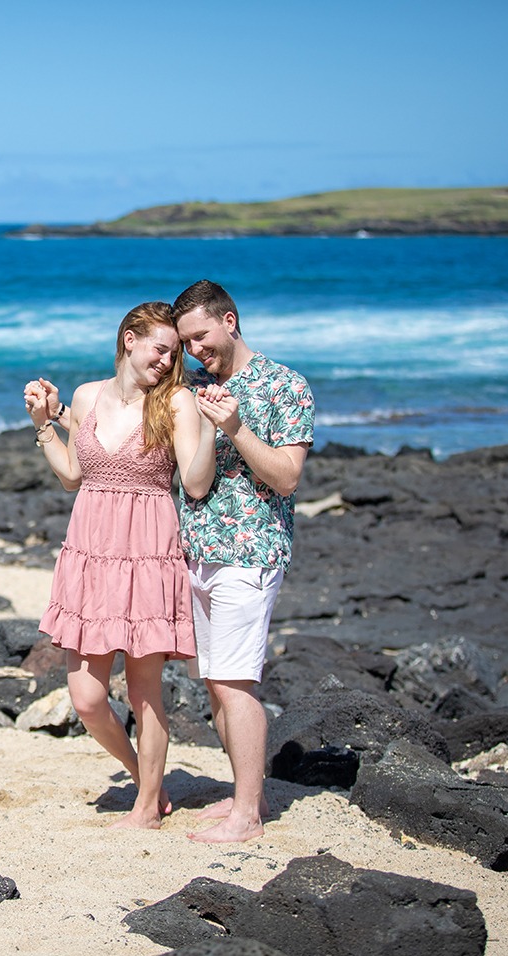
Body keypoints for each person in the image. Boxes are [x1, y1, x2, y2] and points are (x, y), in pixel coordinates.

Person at [24, 301, 215, 829]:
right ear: (129, 340)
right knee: (86, 698)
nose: (166, 360)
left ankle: (146, 808)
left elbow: (195, 482)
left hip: (148, 552)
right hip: (89, 551)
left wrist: (217, 430)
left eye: (173, 353)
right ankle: (144, 780)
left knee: (143, 689)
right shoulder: (87, 397)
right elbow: (70, 475)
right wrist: (45, 425)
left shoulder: (177, 402)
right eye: (160, 348)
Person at [171, 279, 314, 844]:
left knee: (236, 683)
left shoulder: (285, 385)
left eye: (201, 337)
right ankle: (241, 791)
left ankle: (249, 814)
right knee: (214, 682)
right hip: (197, 551)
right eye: (186, 343)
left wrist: (234, 427)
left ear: (229, 321)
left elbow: (286, 476)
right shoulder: (198, 385)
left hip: (250, 552)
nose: (195, 351)